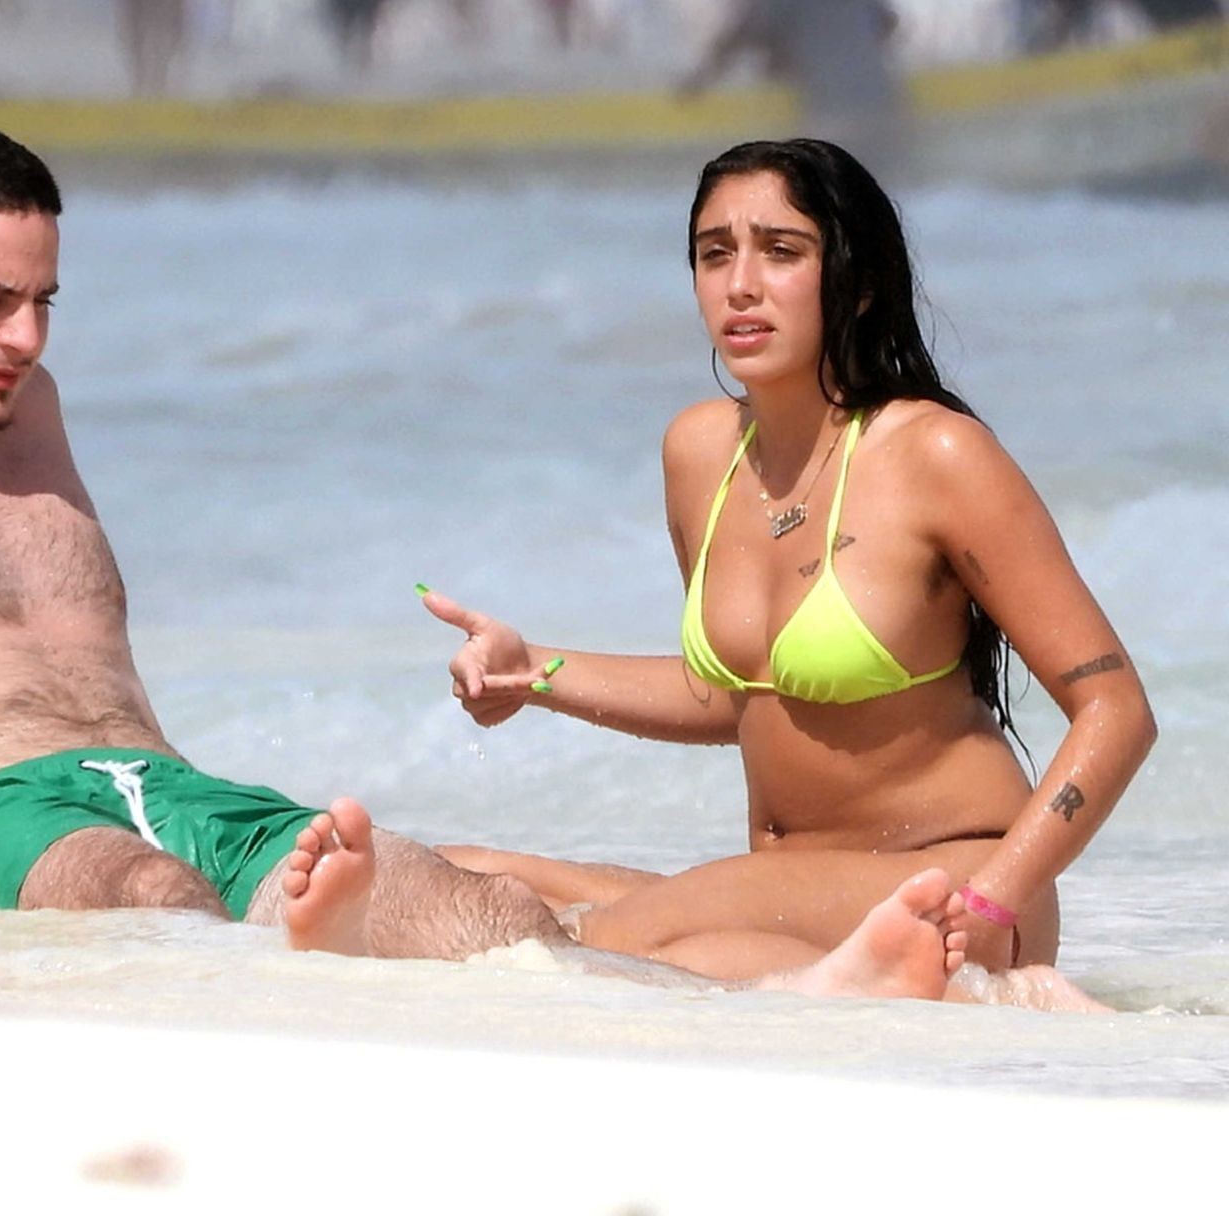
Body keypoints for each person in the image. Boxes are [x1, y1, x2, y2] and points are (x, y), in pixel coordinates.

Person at [0, 114, 1000, 1008]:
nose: (26, 337)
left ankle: (822, 1011)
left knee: (476, 918)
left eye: (45, 300)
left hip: (168, 785)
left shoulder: (30, 410)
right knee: (147, 896)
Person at [428, 137, 1155, 980]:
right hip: (790, 893)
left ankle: (932, 980)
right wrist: (534, 673)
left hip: (948, 890)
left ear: (860, 282)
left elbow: (1116, 710)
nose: (740, 284)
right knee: (451, 877)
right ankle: (851, 983)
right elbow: (735, 692)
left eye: (780, 251)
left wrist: (995, 901)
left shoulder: (935, 456)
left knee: (584, 945)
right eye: (715, 254)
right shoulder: (700, 453)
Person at [682, 0, 902, 170]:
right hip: (886, 102)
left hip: (832, 113)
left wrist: (698, 82)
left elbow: (739, 37)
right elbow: (889, 23)